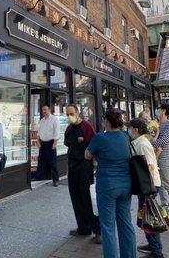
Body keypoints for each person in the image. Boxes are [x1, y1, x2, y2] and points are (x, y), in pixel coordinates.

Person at [85, 108, 136, 258]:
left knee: (107, 227)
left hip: (107, 185)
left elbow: (87, 155)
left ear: (106, 121)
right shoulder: (126, 136)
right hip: (126, 184)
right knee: (125, 223)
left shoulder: (100, 138)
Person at [64, 104, 101, 243]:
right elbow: (68, 144)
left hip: (85, 167)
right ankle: (83, 228)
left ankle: (98, 231)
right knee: (76, 198)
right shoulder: (68, 128)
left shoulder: (86, 126)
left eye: (71, 113)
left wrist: (95, 163)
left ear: (78, 112)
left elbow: (94, 145)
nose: (69, 116)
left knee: (87, 199)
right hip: (72, 167)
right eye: (67, 114)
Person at [129, 118, 163, 258]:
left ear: (135, 130)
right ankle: (152, 245)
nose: (129, 131)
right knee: (146, 216)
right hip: (146, 185)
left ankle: (156, 251)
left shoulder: (142, 144)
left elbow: (149, 166)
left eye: (130, 129)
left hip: (149, 186)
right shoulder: (139, 142)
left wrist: (148, 189)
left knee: (150, 217)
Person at [152, 103, 169, 223]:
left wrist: (153, 140)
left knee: (168, 184)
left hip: (164, 158)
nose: (156, 110)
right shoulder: (155, 123)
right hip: (154, 157)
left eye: (158, 109)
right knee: (160, 184)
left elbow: (162, 141)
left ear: (163, 111)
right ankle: (164, 207)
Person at [33, 105, 60, 187]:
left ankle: (55, 180)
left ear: (49, 110)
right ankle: (39, 177)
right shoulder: (41, 120)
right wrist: (38, 141)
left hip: (51, 142)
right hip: (43, 143)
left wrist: (55, 143)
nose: (43, 111)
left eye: (45, 109)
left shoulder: (54, 119)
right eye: (42, 110)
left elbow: (57, 132)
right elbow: (38, 132)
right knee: (41, 161)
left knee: (53, 162)